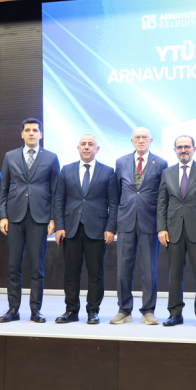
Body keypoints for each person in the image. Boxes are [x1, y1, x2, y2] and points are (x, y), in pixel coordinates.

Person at [0, 119, 59, 323]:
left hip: (40, 217)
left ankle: (36, 310)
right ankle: (13, 309)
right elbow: (4, 188)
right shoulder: (10, 156)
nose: (31, 133)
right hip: (14, 217)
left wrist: (53, 219)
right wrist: (3, 215)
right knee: (13, 266)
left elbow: (55, 191)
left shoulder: (51, 157)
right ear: (22, 134)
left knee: (37, 267)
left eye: (35, 130)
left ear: (41, 134)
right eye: (27, 130)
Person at [53, 135, 118, 325]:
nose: (87, 147)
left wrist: (111, 228)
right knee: (71, 272)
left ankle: (93, 311)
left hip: (97, 229)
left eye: (91, 144)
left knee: (96, 273)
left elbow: (114, 203)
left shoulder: (108, 171)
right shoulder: (67, 170)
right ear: (78, 148)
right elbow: (59, 200)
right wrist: (59, 227)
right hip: (71, 228)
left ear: (97, 149)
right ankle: (71, 310)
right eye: (83, 144)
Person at [158, 135, 196, 327]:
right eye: (179, 147)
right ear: (174, 150)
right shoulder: (167, 173)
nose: (183, 150)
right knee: (174, 274)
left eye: (187, 146)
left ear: (194, 148)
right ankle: (175, 313)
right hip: (173, 231)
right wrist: (161, 228)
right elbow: (162, 203)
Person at [113, 127, 167, 325]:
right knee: (123, 269)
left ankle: (148, 311)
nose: (141, 140)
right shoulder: (121, 162)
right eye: (138, 137)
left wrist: (162, 225)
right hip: (125, 221)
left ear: (151, 141)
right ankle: (124, 310)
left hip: (149, 222)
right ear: (132, 141)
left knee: (149, 270)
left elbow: (163, 197)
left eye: (145, 137)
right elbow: (116, 194)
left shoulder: (161, 163)